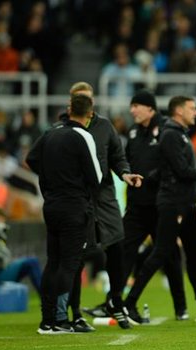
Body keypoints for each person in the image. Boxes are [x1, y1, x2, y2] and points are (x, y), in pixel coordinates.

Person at [125, 96, 196, 324]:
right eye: (192, 108)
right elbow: (182, 171)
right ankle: (128, 302)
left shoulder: (179, 133)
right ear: (178, 111)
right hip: (173, 204)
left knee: (194, 256)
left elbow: (170, 169)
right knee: (160, 253)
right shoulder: (170, 135)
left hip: (185, 203)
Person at [65, 82, 141, 331]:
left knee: (117, 245)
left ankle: (115, 300)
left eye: (87, 98)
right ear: (72, 103)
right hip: (78, 197)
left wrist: (126, 174)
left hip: (104, 196)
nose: (85, 103)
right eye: (79, 99)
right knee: (75, 254)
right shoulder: (62, 128)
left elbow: (118, 158)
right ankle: (72, 311)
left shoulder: (104, 126)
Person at [26, 93, 102, 334]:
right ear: (90, 113)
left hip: (51, 205)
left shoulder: (50, 133)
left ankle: (46, 320)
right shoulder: (83, 135)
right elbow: (96, 177)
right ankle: (59, 320)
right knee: (69, 265)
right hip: (73, 206)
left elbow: (31, 159)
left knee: (53, 262)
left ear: (70, 110)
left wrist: (51, 180)